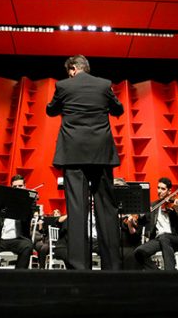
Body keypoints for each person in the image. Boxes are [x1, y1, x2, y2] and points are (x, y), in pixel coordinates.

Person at [46, 55, 123, 270]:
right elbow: (119, 110)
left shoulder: (63, 86)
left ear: (72, 69)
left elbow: (50, 110)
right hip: (101, 153)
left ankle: (79, 267)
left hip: (73, 153)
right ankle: (113, 266)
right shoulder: (104, 84)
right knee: (107, 208)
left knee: (77, 208)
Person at [133, 177, 178, 270]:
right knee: (139, 252)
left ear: (169, 191)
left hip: (175, 238)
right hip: (159, 239)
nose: (159, 191)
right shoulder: (153, 206)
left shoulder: (175, 203)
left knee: (165, 237)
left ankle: (170, 275)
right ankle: (158, 274)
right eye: (158, 188)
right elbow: (142, 222)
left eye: (163, 189)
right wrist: (139, 216)